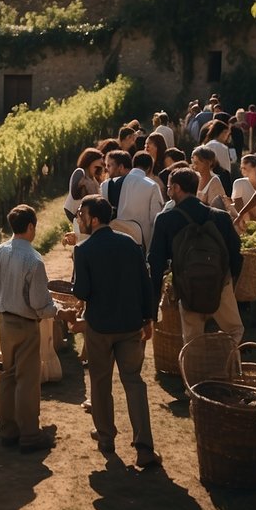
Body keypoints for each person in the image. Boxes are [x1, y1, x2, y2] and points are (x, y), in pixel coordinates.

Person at [70, 195, 160, 468]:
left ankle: (106, 437)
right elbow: (146, 285)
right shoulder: (131, 245)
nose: (79, 219)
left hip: (99, 327)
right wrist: (149, 318)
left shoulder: (84, 251)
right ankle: (144, 448)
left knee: (100, 382)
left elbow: (82, 291)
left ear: (94, 219)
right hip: (131, 324)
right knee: (134, 383)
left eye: (81, 215)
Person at [149, 168, 245, 345]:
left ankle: (195, 370)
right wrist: (230, 282)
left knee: (193, 340)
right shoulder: (221, 217)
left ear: (177, 188)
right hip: (220, 282)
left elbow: (155, 262)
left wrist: (153, 306)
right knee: (234, 330)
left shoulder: (165, 220)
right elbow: (236, 253)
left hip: (187, 286)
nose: (168, 190)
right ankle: (228, 367)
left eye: (169, 187)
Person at [0, 205, 58, 452]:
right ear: (30, 227)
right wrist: (57, 311)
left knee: (7, 375)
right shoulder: (33, 259)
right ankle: (30, 435)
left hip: (4, 321)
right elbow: (40, 304)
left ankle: (8, 431)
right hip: (25, 323)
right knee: (27, 380)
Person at [104, 151, 164, 251]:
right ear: (149, 168)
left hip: (113, 243)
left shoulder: (107, 185)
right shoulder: (152, 186)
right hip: (141, 246)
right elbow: (155, 219)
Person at [63, 148, 104, 222]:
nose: (98, 170)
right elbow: (75, 195)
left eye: (100, 168)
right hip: (75, 213)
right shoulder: (80, 173)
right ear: (89, 162)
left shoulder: (94, 180)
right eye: (96, 167)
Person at [191, 146, 231, 212]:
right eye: (193, 163)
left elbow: (217, 209)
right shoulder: (194, 178)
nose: (194, 167)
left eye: (197, 163)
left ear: (209, 162)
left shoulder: (214, 181)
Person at [231, 154, 256, 224]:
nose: (241, 169)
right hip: (245, 222)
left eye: (245, 166)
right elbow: (237, 205)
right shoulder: (240, 183)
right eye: (241, 167)